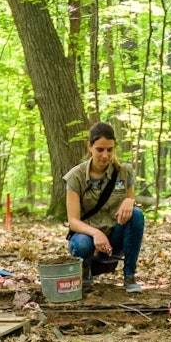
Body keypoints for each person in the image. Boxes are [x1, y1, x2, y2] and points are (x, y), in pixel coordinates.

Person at [65, 122, 145, 293]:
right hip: (87, 240)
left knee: (137, 215)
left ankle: (130, 276)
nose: (105, 155)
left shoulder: (124, 172)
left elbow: (130, 203)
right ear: (90, 147)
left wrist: (130, 201)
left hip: (115, 239)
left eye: (110, 149)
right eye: (100, 149)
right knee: (81, 244)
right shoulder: (75, 177)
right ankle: (85, 275)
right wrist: (96, 233)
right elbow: (73, 221)